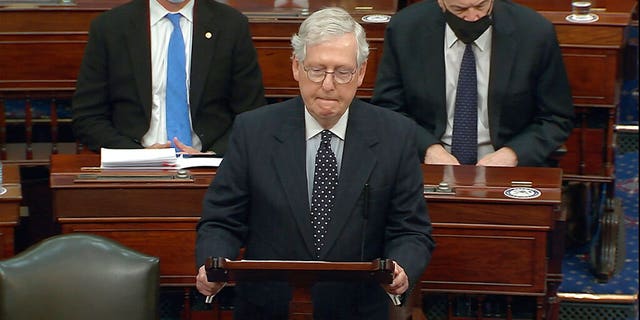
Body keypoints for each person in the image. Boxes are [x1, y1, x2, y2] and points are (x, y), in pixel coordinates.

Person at [195, 7, 434, 319]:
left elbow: (411, 230)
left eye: (343, 72)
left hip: (357, 309)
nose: (328, 85)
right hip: (268, 309)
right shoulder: (254, 131)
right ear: (296, 67)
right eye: (317, 70)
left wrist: (402, 269)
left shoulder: (395, 135)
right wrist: (213, 264)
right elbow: (222, 220)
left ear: (361, 72)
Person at [371, 0, 574, 167]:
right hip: (425, 162)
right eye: (459, 9)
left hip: (509, 164)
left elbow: (555, 117)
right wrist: (428, 149)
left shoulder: (534, 33)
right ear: (441, 3)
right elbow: (388, 109)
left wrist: (513, 154)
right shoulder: (406, 30)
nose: (472, 17)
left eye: (481, 6)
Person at [72, 0, 266, 154]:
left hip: (209, 163)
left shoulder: (230, 25)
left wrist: (214, 155)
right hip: (133, 164)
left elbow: (251, 113)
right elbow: (88, 116)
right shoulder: (110, 27)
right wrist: (137, 155)